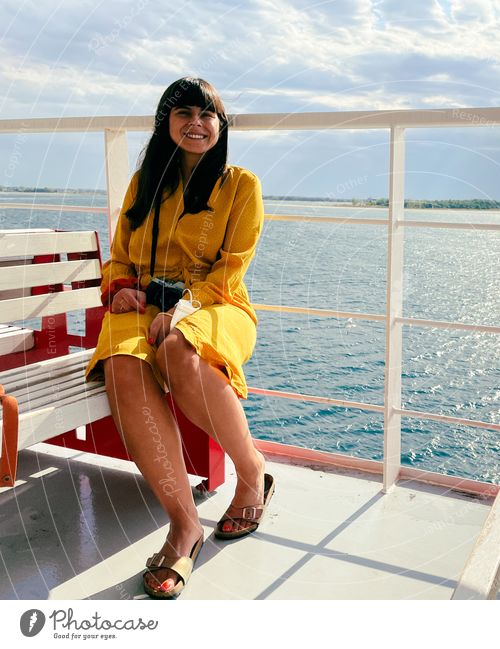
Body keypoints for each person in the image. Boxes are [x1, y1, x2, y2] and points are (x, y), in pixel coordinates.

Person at [85, 77, 274, 599]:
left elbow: (231, 271)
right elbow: (120, 255)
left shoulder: (241, 186)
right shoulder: (145, 182)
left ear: (221, 124)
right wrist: (119, 289)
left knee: (176, 350)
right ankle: (184, 524)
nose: (196, 123)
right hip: (140, 305)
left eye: (207, 114)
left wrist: (183, 308)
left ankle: (251, 470)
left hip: (216, 304)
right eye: (183, 113)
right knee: (122, 366)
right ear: (165, 123)